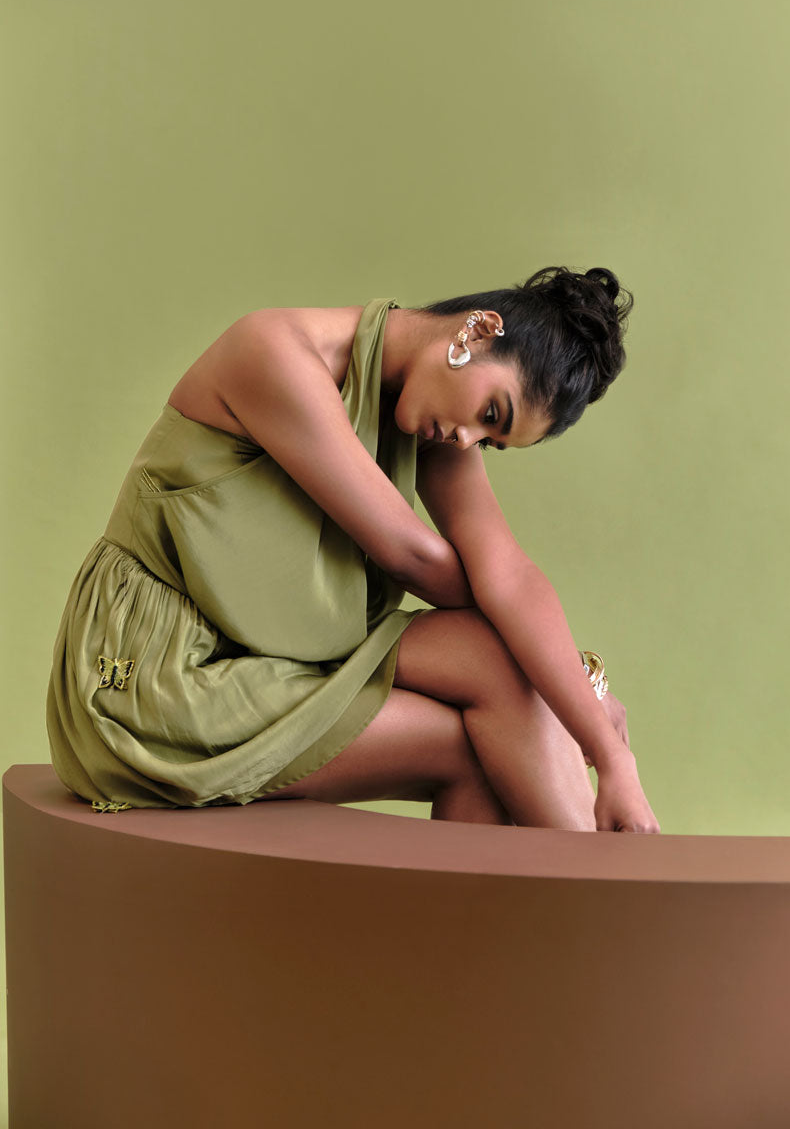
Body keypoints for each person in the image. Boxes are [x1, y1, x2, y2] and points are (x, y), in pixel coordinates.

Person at [46, 266, 660, 833]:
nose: (467, 438)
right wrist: (581, 695)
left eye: (490, 440)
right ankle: (610, 897)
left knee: (492, 674)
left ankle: (589, 896)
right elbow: (412, 556)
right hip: (154, 673)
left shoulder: (437, 418)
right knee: (486, 738)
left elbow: (509, 574)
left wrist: (611, 752)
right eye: (490, 411)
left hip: (273, 652)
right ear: (474, 333)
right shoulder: (274, 351)